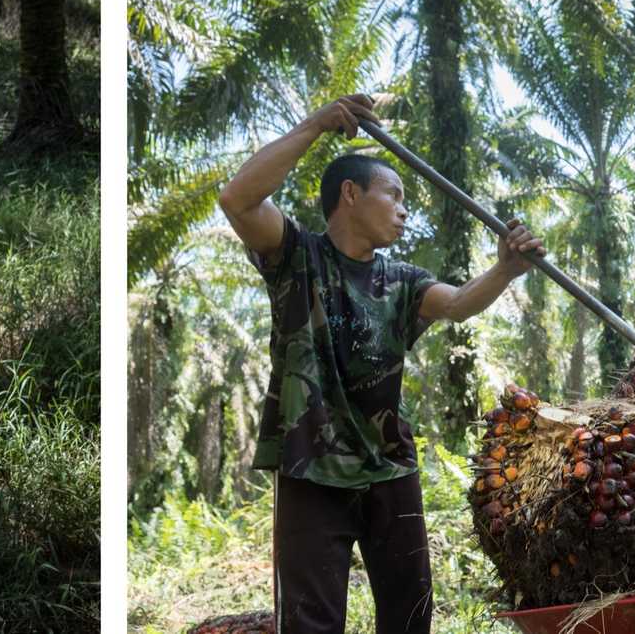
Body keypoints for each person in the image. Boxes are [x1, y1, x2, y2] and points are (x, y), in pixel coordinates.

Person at [216, 94, 545, 633]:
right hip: (310, 466)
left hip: (388, 465)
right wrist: (317, 124)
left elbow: (459, 303)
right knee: (311, 623)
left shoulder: (403, 281)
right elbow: (237, 199)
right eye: (392, 194)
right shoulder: (298, 256)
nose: (403, 209)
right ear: (350, 193)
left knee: (409, 616)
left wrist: (505, 269)